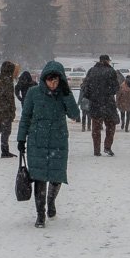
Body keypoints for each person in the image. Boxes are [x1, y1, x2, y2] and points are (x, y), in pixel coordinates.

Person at [17, 60, 80, 228]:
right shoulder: (33, 93)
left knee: (57, 177)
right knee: (39, 178)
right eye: (50, 79)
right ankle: (40, 215)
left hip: (58, 142)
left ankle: (51, 201)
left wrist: (67, 94)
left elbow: (75, 114)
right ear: (44, 78)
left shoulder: (63, 94)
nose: (53, 83)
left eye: (56, 80)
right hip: (37, 142)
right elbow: (25, 117)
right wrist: (21, 138)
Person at [81, 54, 120, 156]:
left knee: (96, 128)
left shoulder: (91, 71)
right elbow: (116, 88)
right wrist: (108, 92)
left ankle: (96, 150)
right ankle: (107, 147)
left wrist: (92, 96)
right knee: (110, 126)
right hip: (108, 103)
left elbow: (86, 87)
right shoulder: (111, 71)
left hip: (95, 103)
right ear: (107, 61)